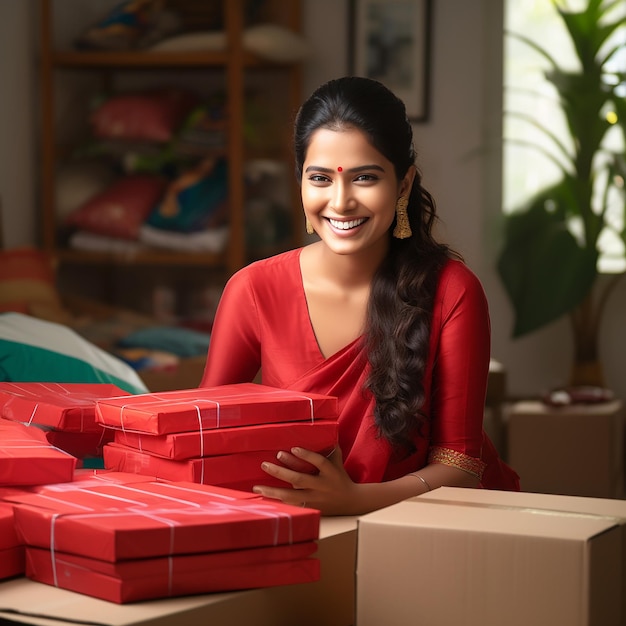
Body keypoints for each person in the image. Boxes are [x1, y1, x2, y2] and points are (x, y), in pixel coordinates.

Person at [201, 76, 520, 516]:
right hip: (299, 524)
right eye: (320, 179)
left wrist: (355, 501)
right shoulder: (253, 289)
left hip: (426, 525)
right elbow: (203, 437)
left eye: (365, 178)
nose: (341, 201)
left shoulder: (451, 291)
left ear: (403, 185)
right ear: (301, 183)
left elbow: (461, 464)